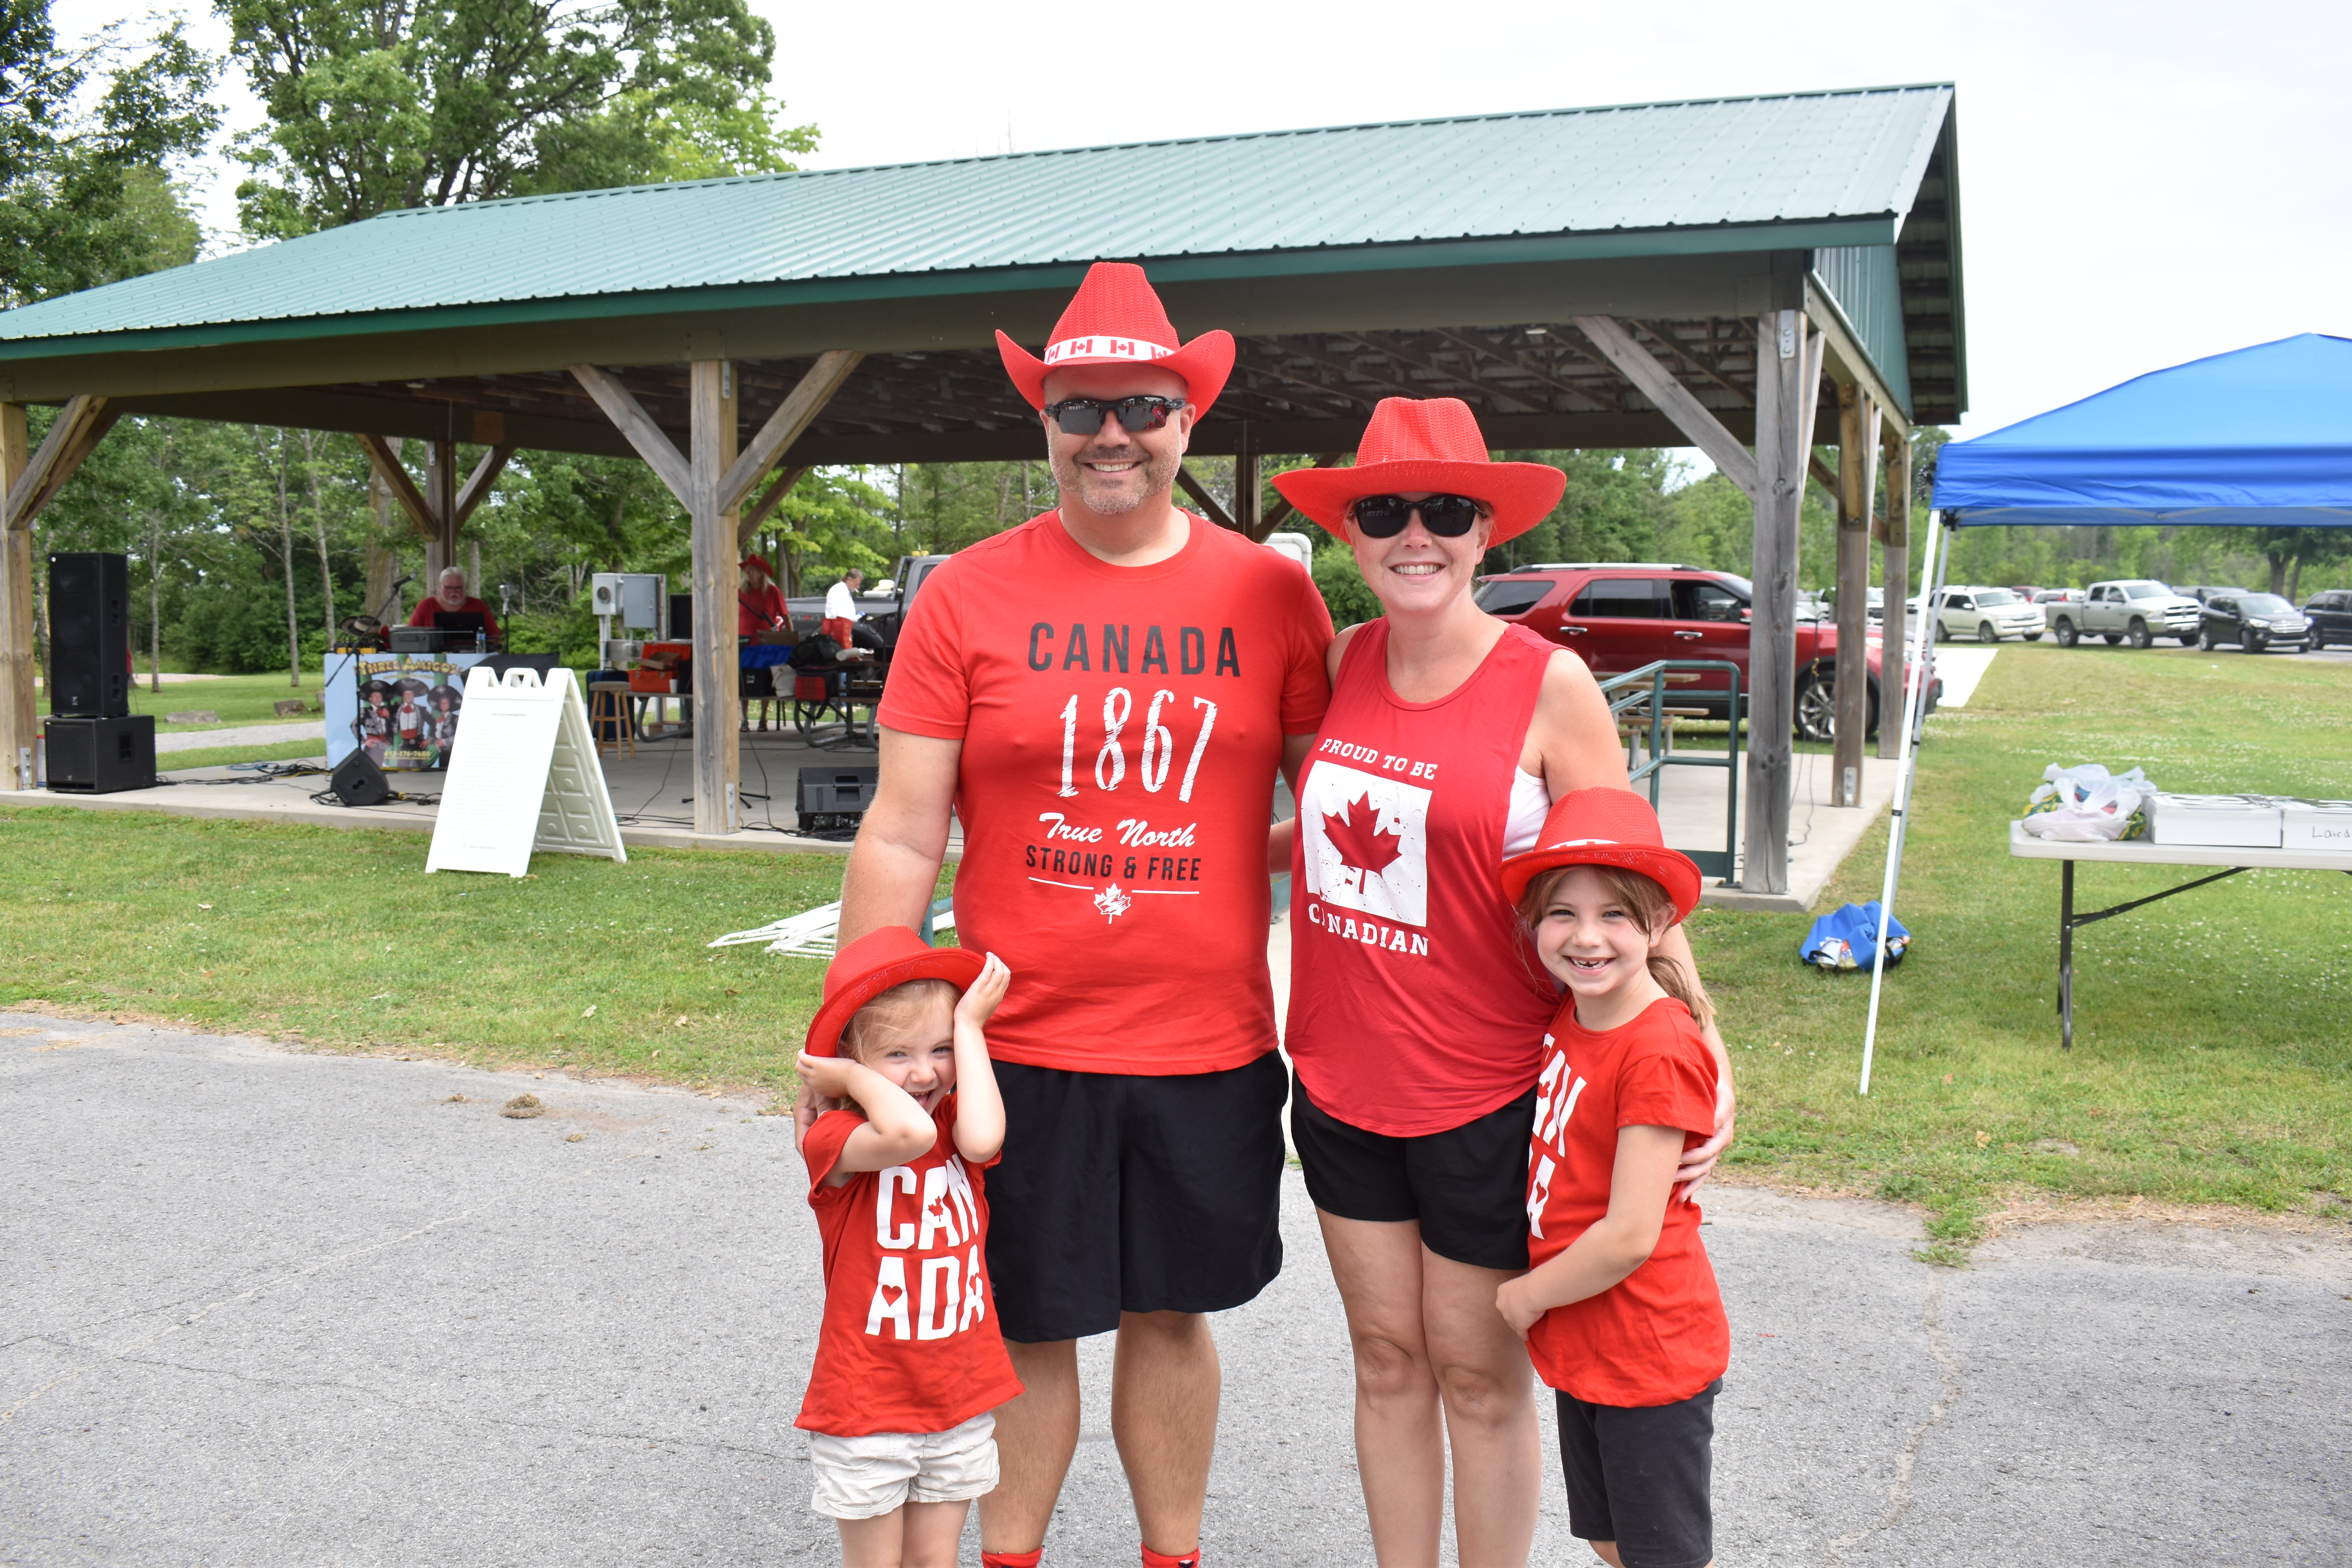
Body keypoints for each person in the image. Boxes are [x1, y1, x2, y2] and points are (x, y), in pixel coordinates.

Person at [824, 261, 1334, 1568]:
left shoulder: (1273, 598)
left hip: (1204, 1039)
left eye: (1144, 406)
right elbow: (900, 827)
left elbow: (1348, 806)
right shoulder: (967, 594)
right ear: (1043, 422)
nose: (1113, 432)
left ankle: (1173, 1557)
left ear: (1186, 419)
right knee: (1031, 1318)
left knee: (1172, 1315)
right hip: (1013, 1042)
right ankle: (1012, 1558)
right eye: (1080, 407)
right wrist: (858, 1035)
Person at [1269, 398, 1732, 1567]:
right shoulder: (1343, 658)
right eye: (1384, 511)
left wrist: (1708, 1045)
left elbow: (1629, 886)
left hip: (1487, 1093)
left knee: (1477, 1378)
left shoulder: (1549, 684)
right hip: (1335, 1078)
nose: (1413, 533)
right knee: (1384, 1361)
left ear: (1485, 533)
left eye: (1445, 511)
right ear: (1352, 533)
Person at [1494, 789, 1728, 1568]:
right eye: (1562, 912)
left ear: (1660, 923)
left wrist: (1526, 1296)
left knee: (1660, 1553)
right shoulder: (1578, 1008)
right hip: (1590, 1341)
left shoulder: (1656, 1046)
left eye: (1615, 916)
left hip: (1647, 1348)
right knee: (1608, 1536)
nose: (1586, 936)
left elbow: (1630, 1233)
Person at [794, 927, 1023, 1568]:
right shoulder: (835, 1137)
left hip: (957, 1395)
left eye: (941, 1049)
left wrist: (973, 1032)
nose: (926, 1072)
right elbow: (908, 1132)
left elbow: (981, 1141)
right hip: (868, 1404)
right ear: (851, 1059)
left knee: (935, 1561)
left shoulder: (955, 1125)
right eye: (897, 1054)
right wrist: (844, 1081)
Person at [407, 568, 501, 642]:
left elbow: (495, 637)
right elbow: (411, 636)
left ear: (465, 587)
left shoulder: (478, 605)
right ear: (441, 586)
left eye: (458, 588)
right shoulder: (426, 605)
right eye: (448, 588)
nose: (453, 592)